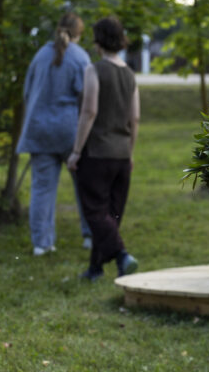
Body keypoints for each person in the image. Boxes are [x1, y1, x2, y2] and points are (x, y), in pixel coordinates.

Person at [67, 16, 140, 281]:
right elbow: (135, 118)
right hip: (122, 155)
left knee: (95, 212)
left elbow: (89, 111)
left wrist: (76, 151)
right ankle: (95, 269)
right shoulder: (130, 74)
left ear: (98, 42)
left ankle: (121, 255)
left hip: (96, 154)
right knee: (112, 214)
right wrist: (130, 152)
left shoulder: (94, 70)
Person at [17, 12, 93, 256]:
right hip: (70, 131)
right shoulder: (80, 58)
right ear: (79, 32)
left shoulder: (40, 56)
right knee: (84, 185)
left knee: (41, 189)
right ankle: (90, 235)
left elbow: (27, 93)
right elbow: (87, 98)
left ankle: (42, 243)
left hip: (39, 131)